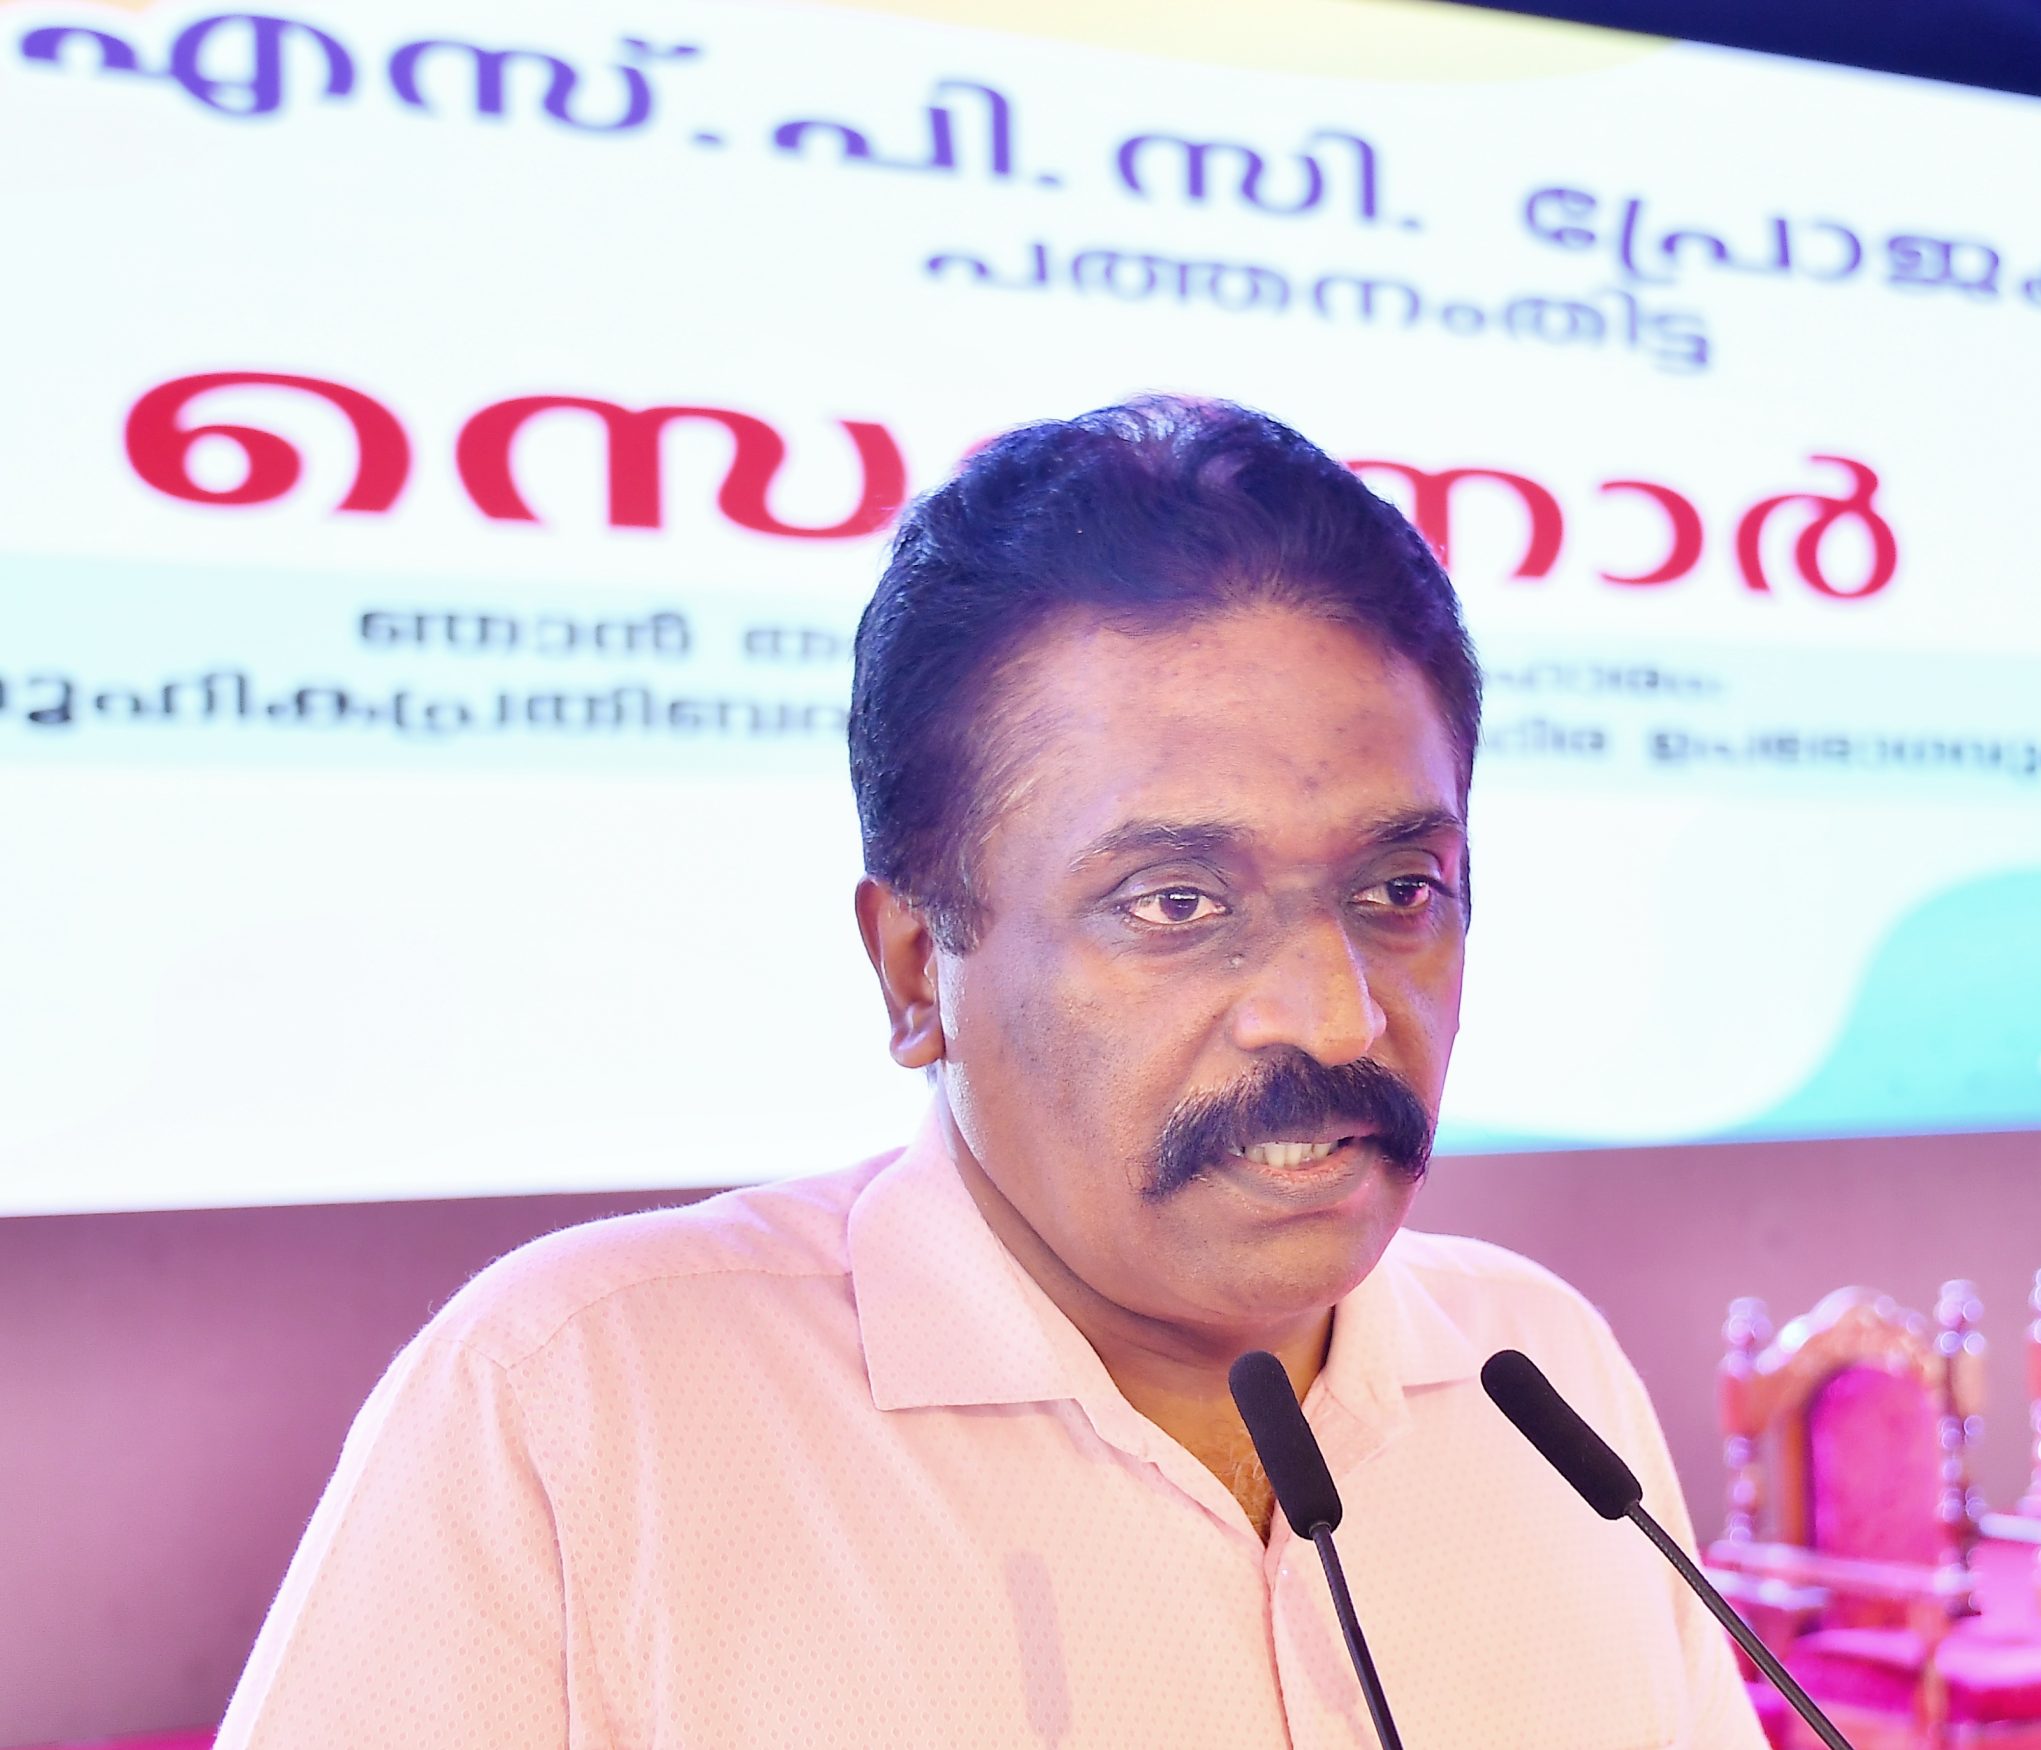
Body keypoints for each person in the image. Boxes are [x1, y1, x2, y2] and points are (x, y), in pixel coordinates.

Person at [215, 398, 1766, 1747]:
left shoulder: (1540, 1372)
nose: (1339, 1017)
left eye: (1398, 889)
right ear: (915, 971)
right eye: (1176, 902)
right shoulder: (581, 1399)